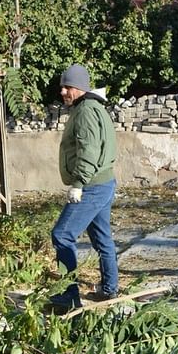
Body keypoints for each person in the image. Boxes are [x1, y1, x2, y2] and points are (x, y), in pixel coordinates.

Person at [49, 64, 119, 311]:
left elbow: (89, 150)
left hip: (91, 186)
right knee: (102, 238)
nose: (63, 92)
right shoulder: (92, 107)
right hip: (104, 182)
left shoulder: (86, 111)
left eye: (67, 87)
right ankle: (110, 289)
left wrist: (78, 184)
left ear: (79, 88)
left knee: (61, 235)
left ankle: (68, 297)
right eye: (62, 87)